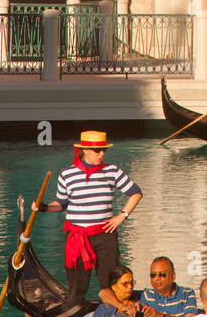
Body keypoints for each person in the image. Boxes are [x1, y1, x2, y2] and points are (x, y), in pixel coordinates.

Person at [34, 130, 142, 304]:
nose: (101, 154)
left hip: (105, 235)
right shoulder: (67, 174)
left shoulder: (112, 171)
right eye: (97, 151)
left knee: (110, 284)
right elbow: (61, 204)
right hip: (77, 237)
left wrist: (122, 216)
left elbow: (136, 193)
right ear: (84, 150)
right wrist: (44, 207)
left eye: (103, 150)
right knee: (77, 287)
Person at [132, 257, 198, 317]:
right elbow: (106, 293)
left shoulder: (186, 293)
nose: (157, 278)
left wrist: (161, 316)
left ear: (173, 276)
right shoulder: (147, 295)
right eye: (153, 275)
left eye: (162, 274)